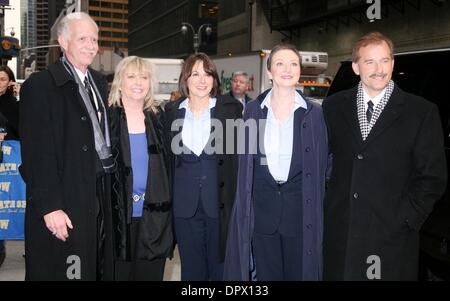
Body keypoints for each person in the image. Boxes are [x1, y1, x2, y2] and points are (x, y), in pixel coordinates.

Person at [322, 32, 447, 280]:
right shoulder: (333, 107)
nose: (379, 69)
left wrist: (406, 219)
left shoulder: (420, 112)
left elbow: (433, 177)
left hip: (391, 238)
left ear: (392, 63)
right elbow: (320, 161)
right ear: (356, 67)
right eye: (370, 62)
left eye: (385, 60)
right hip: (341, 234)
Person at [19, 12, 115, 280]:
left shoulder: (98, 82)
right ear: (63, 41)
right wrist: (50, 206)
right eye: (82, 38)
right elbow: (36, 154)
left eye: (94, 39)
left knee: (89, 269)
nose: (90, 45)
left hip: (94, 194)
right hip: (62, 201)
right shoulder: (40, 86)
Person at [224, 43, 329, 281]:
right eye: (280, 63)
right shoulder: (252, 110)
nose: (287, 69)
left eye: (293, 64)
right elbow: (245, 162)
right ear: (269, 71)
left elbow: (324, 163)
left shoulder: (314, 113)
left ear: (300, 71)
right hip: (263, 214)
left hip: (299, 214)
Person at [164, 53, 242, 280]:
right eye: (195, 74)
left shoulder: (230, 110)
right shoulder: (171, 112)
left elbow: (239, 160)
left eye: (207, 73)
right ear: (185, 79)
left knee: (220, 270)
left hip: (219, 204)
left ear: (214, 79)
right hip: (184, 208)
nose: (202, 80)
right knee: (191, 271)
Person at [108, 56, 173, 280]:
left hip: (153, 220)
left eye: (144, 77)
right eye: (132, 76)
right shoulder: (107, 118)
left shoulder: (159, 118)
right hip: (117, 222)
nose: (138, 82)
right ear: (120, 81)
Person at [0, 65, 20, 268]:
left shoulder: (14, 104)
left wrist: (21, 98)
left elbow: (26, 129)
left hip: (10, 164)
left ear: (10, 82)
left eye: (3, 79)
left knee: (12, 202)